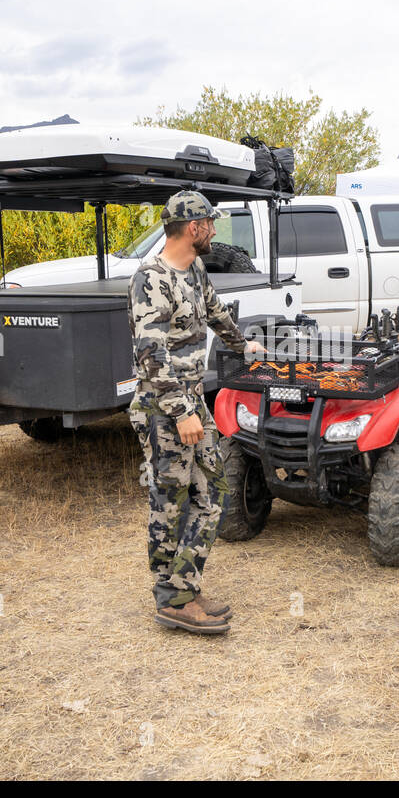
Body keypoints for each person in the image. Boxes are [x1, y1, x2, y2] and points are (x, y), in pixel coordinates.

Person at [127, 190, 265, 633]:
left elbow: (217, 314)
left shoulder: (196, 269)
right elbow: (152, 355)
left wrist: (245, 346)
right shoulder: (151, 279)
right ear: (194, 228)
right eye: (210, 223)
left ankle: (186, 581)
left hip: (192, 402)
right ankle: (171, 599)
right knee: (170, 499)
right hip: (164, 407)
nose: (215, 230)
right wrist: (183, 411)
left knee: (212, 491)